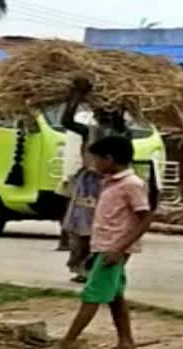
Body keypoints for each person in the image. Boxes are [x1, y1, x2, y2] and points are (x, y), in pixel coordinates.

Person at [33, 136, 154, 349]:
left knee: (92, 294)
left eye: (97, 159)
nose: (94, 164)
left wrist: (119, 248)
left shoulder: (132, 185)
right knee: (115, 296)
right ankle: (126, 343)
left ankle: (65, 345)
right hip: (105, 246)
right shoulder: (110, 181)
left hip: (113, 249)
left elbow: (145, 218)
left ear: (109, 158)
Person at [59, 78, 130, 278]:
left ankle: (95, 267)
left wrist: (120, 100)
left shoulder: (121, 134)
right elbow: (66, 121)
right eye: (100, 113)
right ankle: (82, 267)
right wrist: (76, 96)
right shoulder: (89, 131)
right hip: (88, 184)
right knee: (80, 225)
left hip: (108, 184)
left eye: (107, 113)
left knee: (103, 224)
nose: (102, 116)